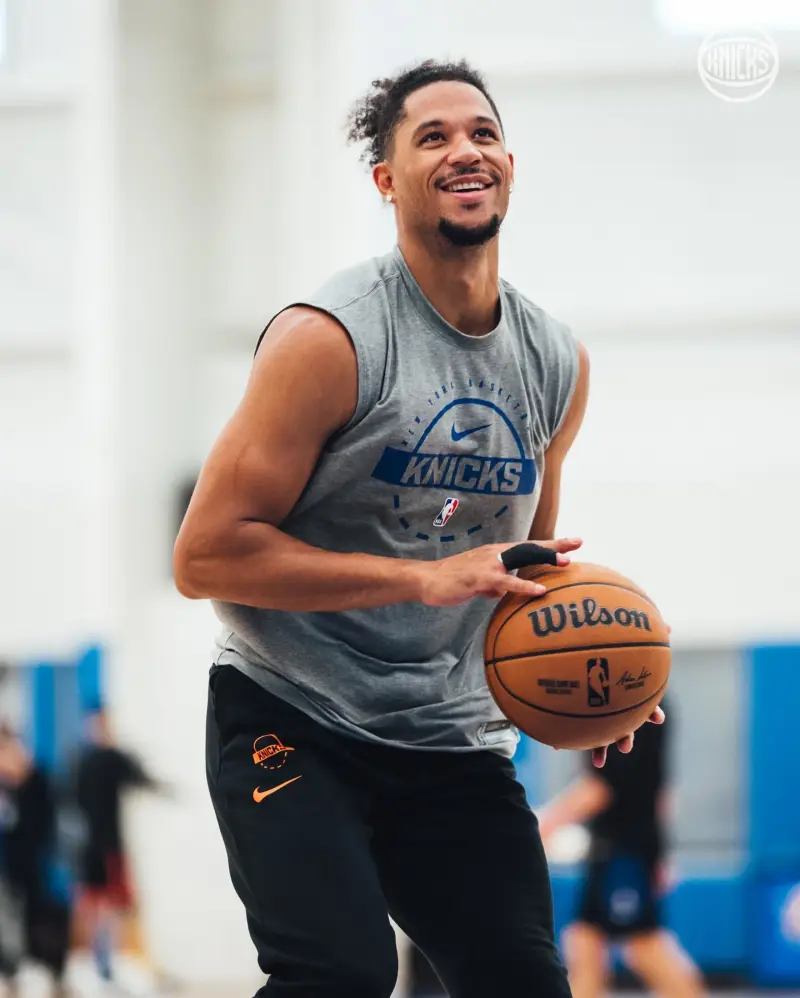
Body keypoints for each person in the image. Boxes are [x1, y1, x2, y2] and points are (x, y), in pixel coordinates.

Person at [174, 58, 664, 998]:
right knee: (339, 974)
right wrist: (419, 578)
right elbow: (204, 557)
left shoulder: (554, 362)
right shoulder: (330, 340)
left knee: (521, 981)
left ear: (509, 165)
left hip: (449, 738)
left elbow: (525, 573)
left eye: (481, 133)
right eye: (431, 137)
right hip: (296, 713)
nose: (463, 150)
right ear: (387, 181)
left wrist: (605, 673)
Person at [538, 698, 705, 998]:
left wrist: (544, 825)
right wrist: (660, 853)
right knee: (585, 942)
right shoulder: (639, 701)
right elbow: (660, 789)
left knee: (643, 946)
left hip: (625, 851)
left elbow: (601, 787)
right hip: (618, 848)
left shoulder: (632, 704)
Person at [74, 708, 160, 987]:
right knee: (93, 904)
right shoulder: (84, 762)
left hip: (109, 844)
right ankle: (97, 962)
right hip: (93, 847)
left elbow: (140, 776)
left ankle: (111, 961)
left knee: (114, 904)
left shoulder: (112, 758)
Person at [0, 725, 70, 997]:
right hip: (11, 867)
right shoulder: (7, 785)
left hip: (39, 868)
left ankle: (55, 976)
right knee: (10, 924)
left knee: (42, 921)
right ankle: (12, 975)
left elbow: (47, 827)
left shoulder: (38, 781)